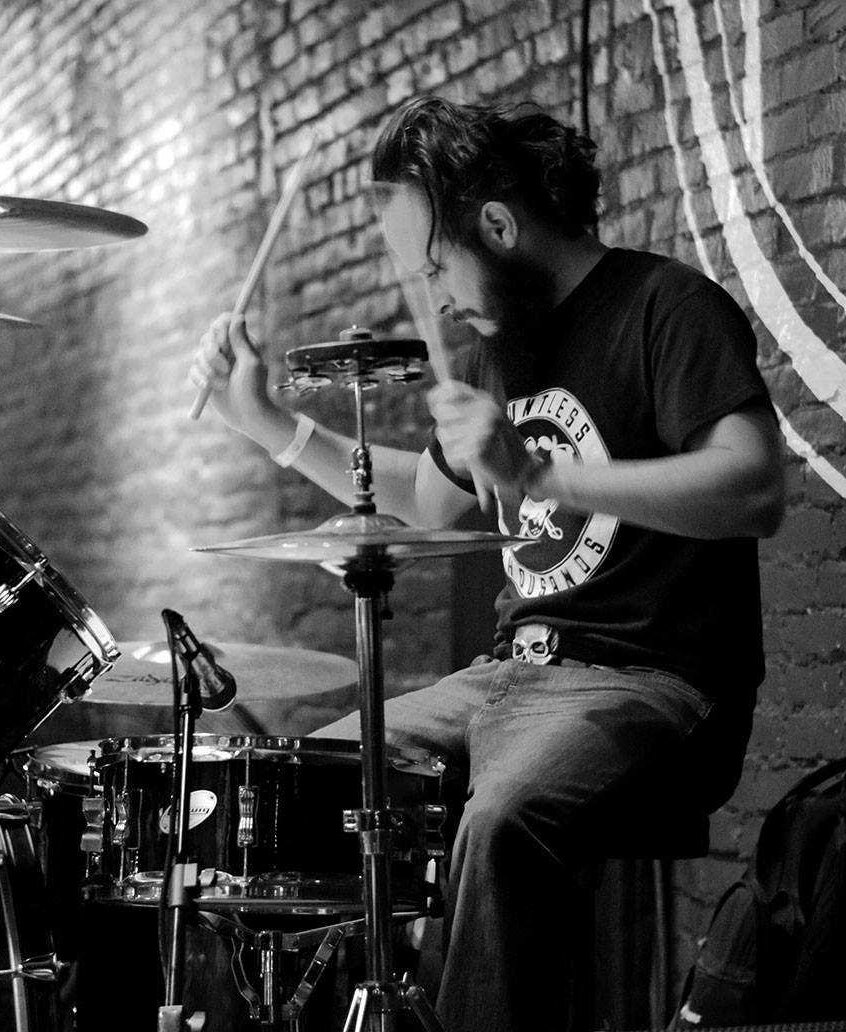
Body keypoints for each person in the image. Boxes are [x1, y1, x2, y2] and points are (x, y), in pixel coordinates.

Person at [189, 96, 786, 1032]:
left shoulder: (667, 306)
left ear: (500, 226)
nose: (432, 298)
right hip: (508, 676)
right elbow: (428, 501)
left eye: (434, 267)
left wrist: (541, 472)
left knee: (503, 820)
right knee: (302, 784)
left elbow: (753, 487)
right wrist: (267, 424)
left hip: (655, 683)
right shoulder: (500, 345)